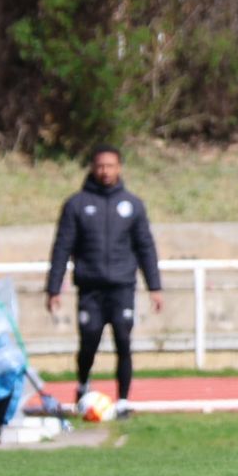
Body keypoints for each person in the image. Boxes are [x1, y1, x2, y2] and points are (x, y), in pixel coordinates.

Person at [46, 144, 164, 417]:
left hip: (122, 286)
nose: (105, 171)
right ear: (92, 167)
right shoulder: (76, 204)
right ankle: (83, 385)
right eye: (100, 165)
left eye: (110, 166)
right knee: (89, 340)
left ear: (119, 168)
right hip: (90, 287)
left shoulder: (132, 205)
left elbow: (145, 246)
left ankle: (123, 400)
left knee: (124, 339)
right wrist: (54, 288)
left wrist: (154, 286)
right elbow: (62, 247)